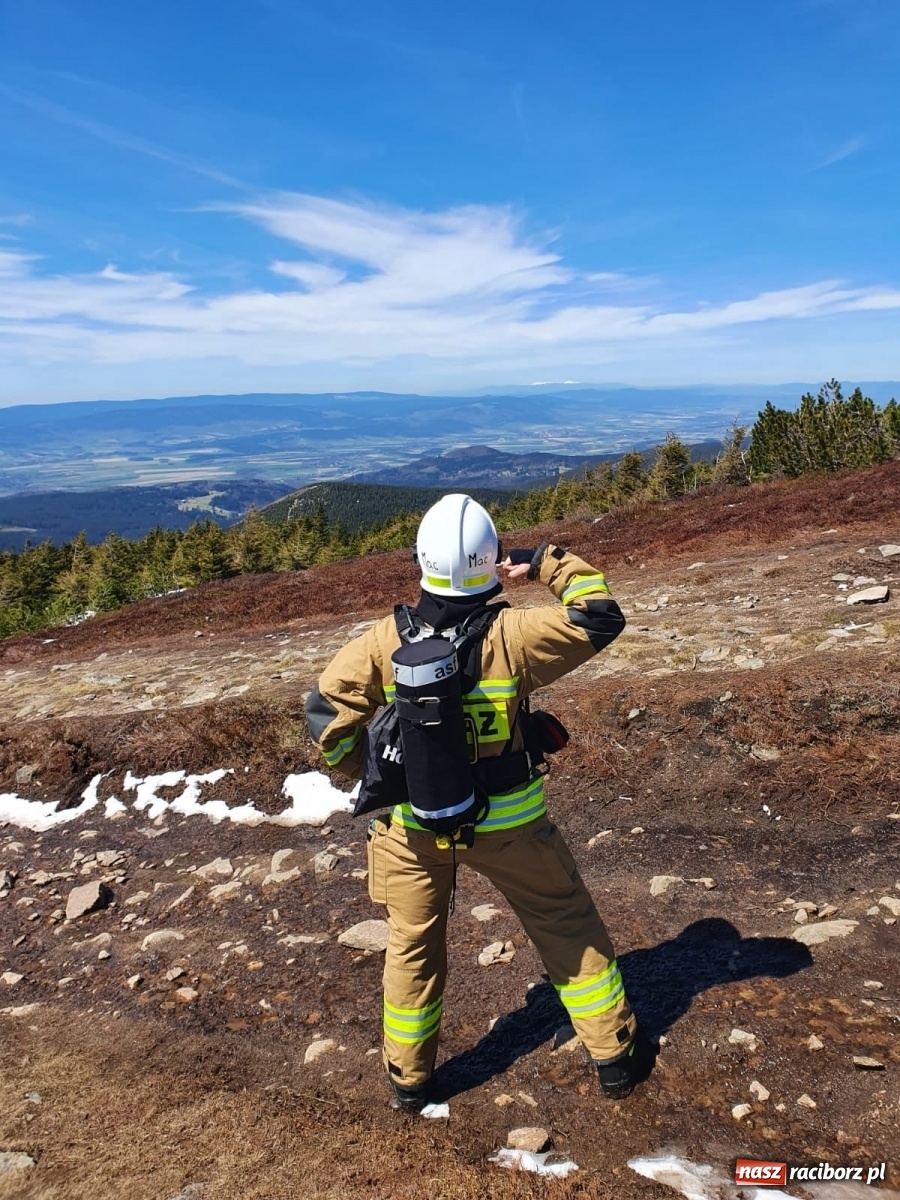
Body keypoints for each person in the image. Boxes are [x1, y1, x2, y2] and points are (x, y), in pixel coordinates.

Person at [305, 494, 649, 1111]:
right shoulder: (514, 634)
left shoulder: (384, 640)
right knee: (565, 926)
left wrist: (363, 771)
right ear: (489, 563)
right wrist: (543, 561)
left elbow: (325, 712)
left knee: (411, 944)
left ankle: (409, 1081)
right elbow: (600, 616)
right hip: (511, 825)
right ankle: (616, 1058)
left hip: (410, 829)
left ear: (420, 560)